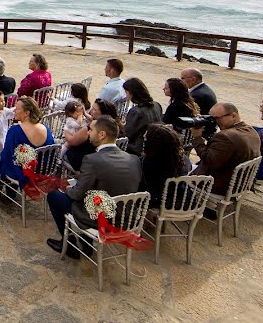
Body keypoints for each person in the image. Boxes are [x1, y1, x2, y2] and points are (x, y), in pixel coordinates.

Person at [46, 115, 142, 258]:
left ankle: (69, 243)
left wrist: (67, 188)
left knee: (54, 196)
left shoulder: (92, 159)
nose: (88, 133)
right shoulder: (134, 159)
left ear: (102, 135)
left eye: (91, 130)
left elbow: (77, 194)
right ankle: (86, 243)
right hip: (126, 217)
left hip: (101, 218)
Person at [192, 103, 261, 195]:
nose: (213, 122)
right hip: (240, 182)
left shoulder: (225, 137)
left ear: (233, 115)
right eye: (211, 118)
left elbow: (209, 160)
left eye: (216, 118)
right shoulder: (250, 130)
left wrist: (197, 138)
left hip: (220, 185)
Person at [0, 97, 55, 190]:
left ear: (26, 113)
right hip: (44, 170)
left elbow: (7, 155)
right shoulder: (45, 128)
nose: (14, 111)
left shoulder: (15, 131)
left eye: (17, 109)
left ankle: (3, 190)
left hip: (25, 173)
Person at [140, 124, 189, 209]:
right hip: (181, 200)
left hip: (160, 202)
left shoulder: (148, 163)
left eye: (146, 139)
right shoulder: (183, 159)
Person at [122, 77, 163, 156]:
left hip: (137, 148)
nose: (125, 95)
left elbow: (128, 134)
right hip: (154, 144)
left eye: (126, 92)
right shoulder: (157, 105)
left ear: (132, 93)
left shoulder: (136, 111)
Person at [61, 100, 93, 171]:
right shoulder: (69, 120)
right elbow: (78, 125)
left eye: (80, 112)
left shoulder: (82, 117)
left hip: (78, 137)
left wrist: (84, 114)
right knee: (67, 145)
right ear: (70, 113)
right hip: (71, 136)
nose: (80, 114)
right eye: (77, 112)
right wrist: (80, 116)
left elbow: (91, 119)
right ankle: (59, 157)